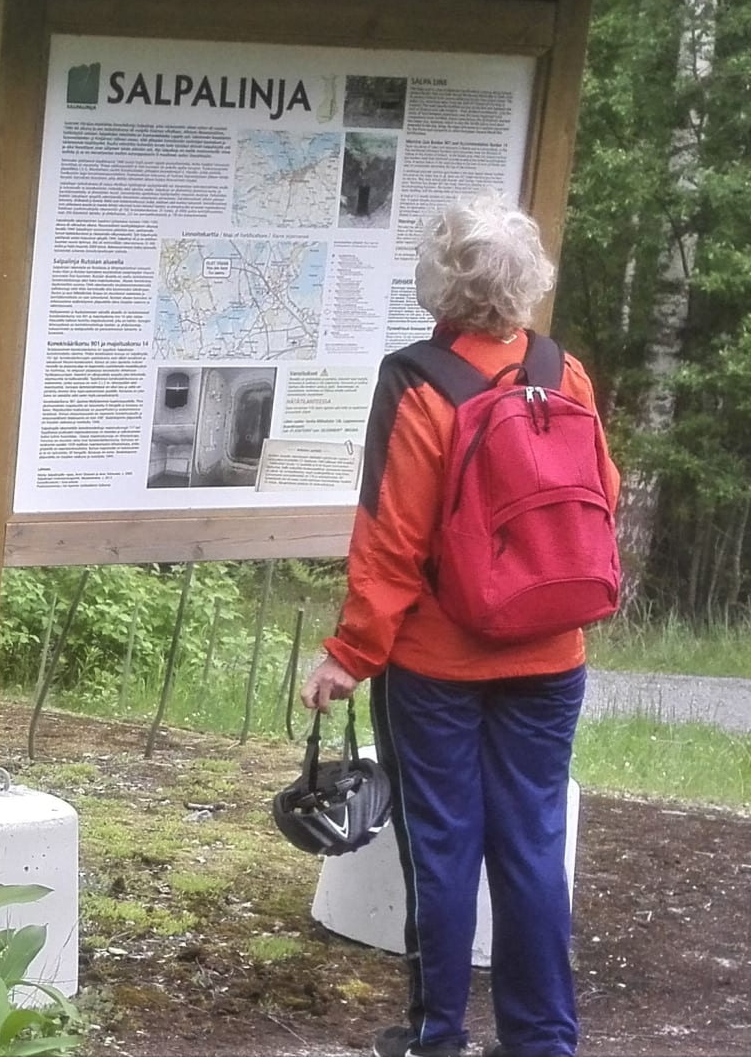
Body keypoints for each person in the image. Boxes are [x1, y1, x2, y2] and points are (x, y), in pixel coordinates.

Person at [301, 193, 619, 1057]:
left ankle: (438, 1036)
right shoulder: (565, 372)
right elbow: (601, 500)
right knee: (533, 844)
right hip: (553, 653)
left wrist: (349, 656)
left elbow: (391, 540)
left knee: (443, 848)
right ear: (529, 280)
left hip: (440, 663)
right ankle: (544, 1041)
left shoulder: (418, 383)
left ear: (439, 283)